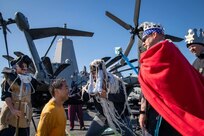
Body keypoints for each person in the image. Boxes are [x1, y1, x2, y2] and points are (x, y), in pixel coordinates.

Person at [138, 22, 204, 135]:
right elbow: (148, 90)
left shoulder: (169, 52)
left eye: (145, 38)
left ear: (154, 35)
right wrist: (143, 111)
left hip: (175, 116)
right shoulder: (149, 60)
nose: (143, 43)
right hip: (156, 115)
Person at [82, 59, 135, 136]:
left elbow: (122, 97)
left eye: (95, 73)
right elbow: (84, 99)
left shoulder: (116, 81)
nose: (93, 75)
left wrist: (107, 96)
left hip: (119, 116)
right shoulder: (91, 84)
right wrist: (89, 92)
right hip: (102, 117)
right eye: (92, 73)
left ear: (101, 71)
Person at [0, 55, 37, 136]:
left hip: (24, 115)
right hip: (10, 113)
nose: (25, 68)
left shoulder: (29, 80)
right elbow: (6, 96)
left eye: (26, 66)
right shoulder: (8, 78)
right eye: (21, 66)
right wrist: (13, 110)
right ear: (15, 66)